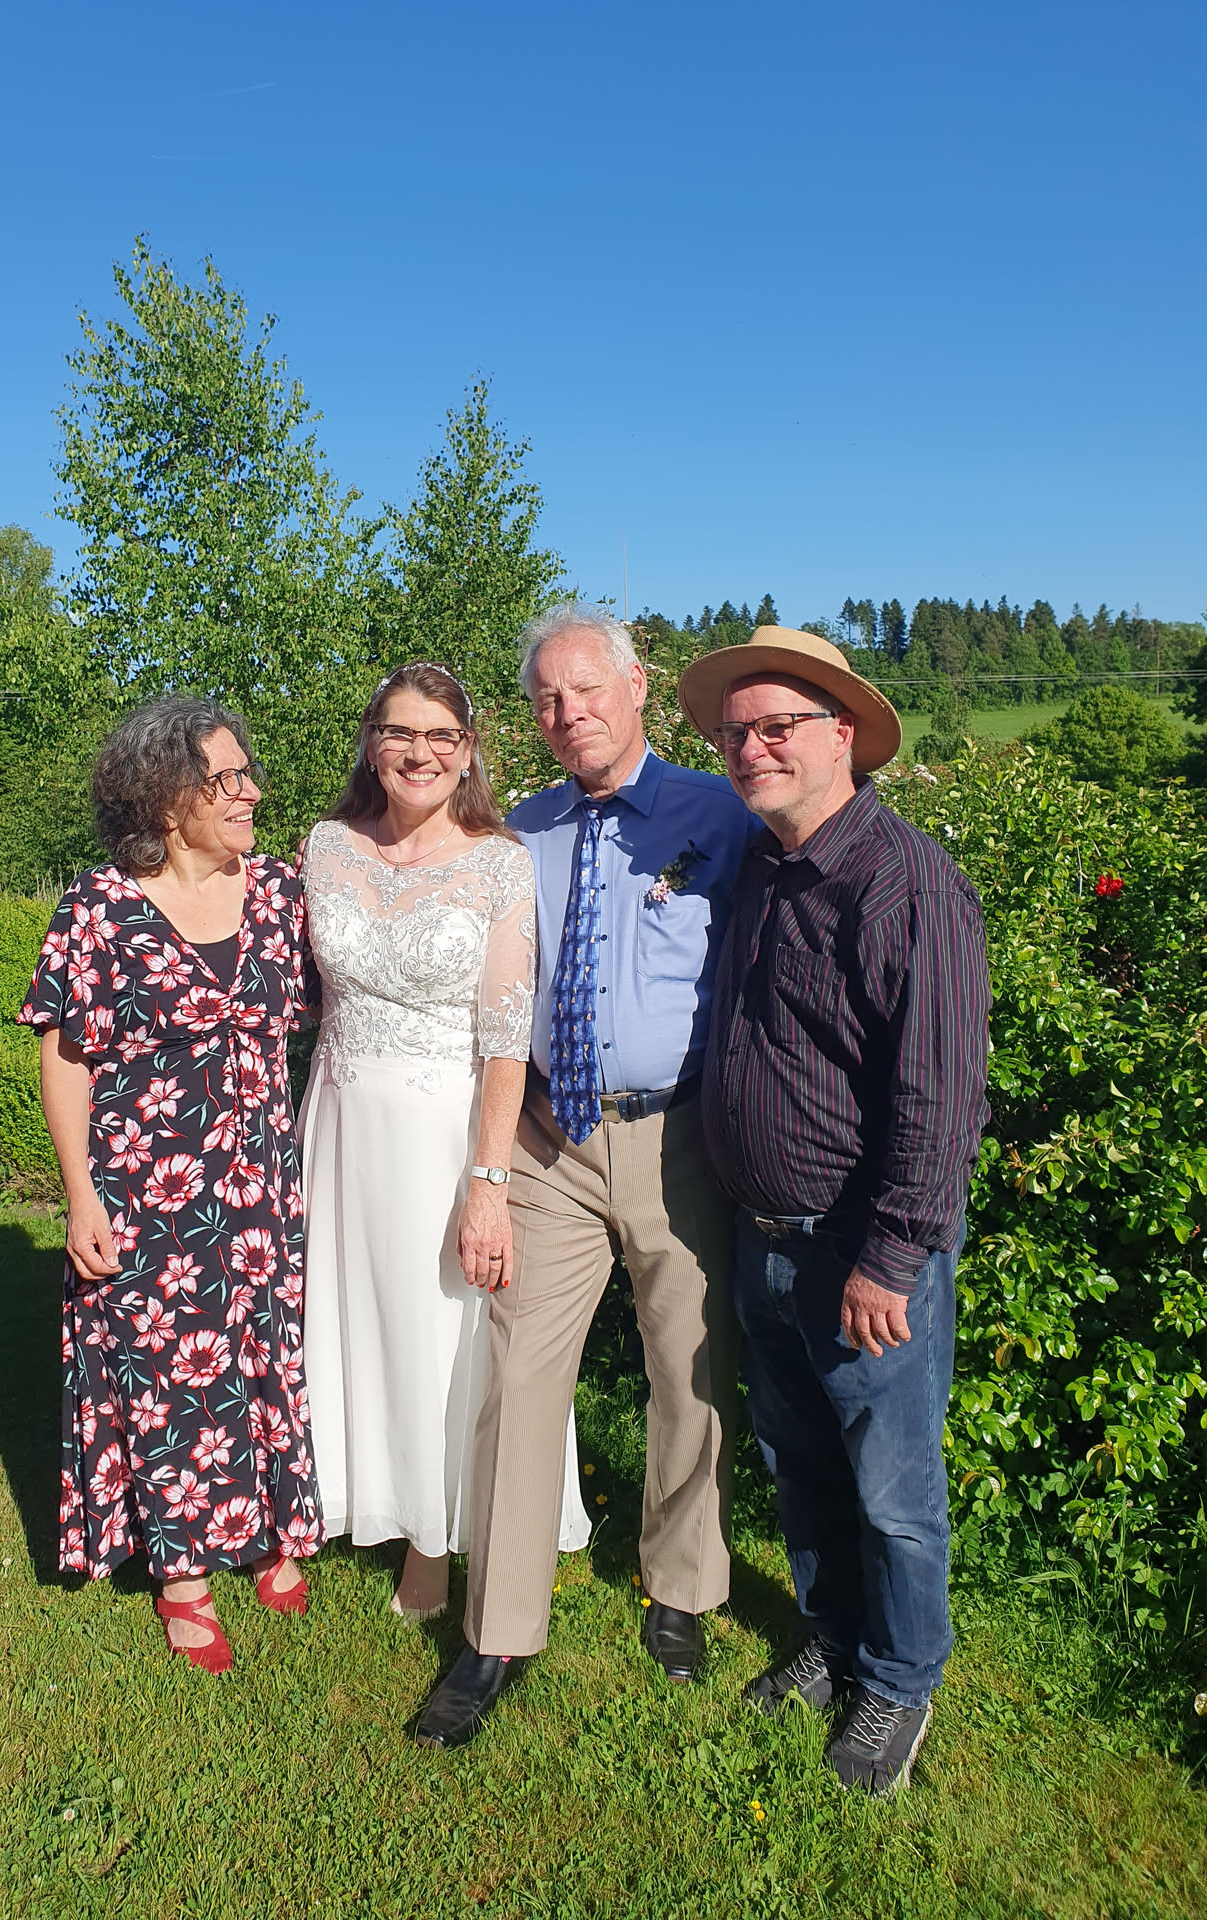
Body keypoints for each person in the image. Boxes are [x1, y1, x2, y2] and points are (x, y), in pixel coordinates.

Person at [414, 603, 753, 1749]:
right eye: (548, 699)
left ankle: (682, 1589)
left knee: (688, 1372)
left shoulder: (718, 816)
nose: (568, 713)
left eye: (587, 689)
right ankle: (497, 1631)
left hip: (677, 1139)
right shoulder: (522, 832)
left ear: (637, 685)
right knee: (518, 1378)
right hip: (551, 1144)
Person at [681, 625, 990, 1796]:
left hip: (859, 1253)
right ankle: (836, 1635)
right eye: (735, 732)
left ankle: (899, 1682)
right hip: (764, 1238)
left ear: (842, 734)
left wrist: (891, 1258)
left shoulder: (905, 884)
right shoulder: (765, 864)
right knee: (804, 1465)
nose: (751, 748)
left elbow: (939, 1094)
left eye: (778, 727)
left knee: (894, 1493)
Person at [19, 698, 321, 1674]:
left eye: (246, 773)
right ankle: (183, 1575)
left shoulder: (280, 893)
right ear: (163, 798)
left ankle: (268, 1526)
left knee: (260, 1353)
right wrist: (80, 1195)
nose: (250, 793)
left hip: (262, 1182)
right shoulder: (100, 905)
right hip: (148, 1187)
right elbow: (65, 1056)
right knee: (167, 1378)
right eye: (224, 779)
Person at [299, 663, 590, 1622]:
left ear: (468, 752)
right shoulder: (323, 848)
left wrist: (489, 1181)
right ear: (370, 743)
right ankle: (353, 1495)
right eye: (398, 732)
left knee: (439, 1330)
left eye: (440, 736)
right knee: (351, 1319)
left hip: (444, 1135)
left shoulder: (499, 863)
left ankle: (433, 1536)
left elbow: (506, 1036)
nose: (418, 753)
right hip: (340, 1125)